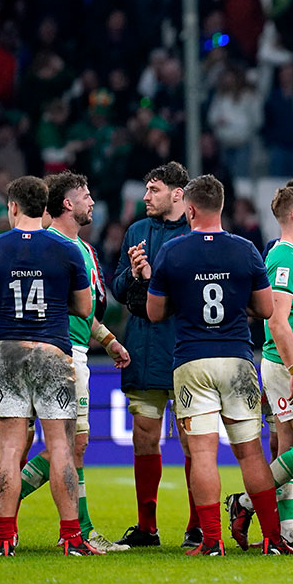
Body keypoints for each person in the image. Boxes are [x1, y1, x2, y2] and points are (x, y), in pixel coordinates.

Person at [0, 172, 132, 553]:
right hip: (55, 351)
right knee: (61, 446)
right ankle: (73, 537)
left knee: (10, 447)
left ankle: (6, 539)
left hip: (9, 349)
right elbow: (83, 307)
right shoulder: (66, 251)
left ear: (12, 207)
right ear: (46, 206)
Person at [146, 174, 280, 556]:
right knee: (251, 452)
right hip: (236, 358)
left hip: (193, 359)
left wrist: (179, 300)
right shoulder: (246, 250)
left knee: (203, 454)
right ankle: (271, 538)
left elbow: (155, 312)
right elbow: (266, 309)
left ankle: (211, 541)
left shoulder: (172, 252)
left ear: (189, 209)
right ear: (220, 207)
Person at [225, 183, 293, 553]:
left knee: (289, 446)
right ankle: (245, 502)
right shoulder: (284, 257)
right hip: (292, 363)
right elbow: (277, 320)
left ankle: (288, 532)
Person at [111, 162, 199, 549]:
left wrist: (154, 279)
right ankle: (147, 527)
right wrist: (133, 274)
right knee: (145, 438)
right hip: (144, 348)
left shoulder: (198, 233)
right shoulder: (136, 231)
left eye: (153, 190)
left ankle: (198, 524)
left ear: (177, 195)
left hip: (184, 350)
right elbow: (117, 289)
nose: (145, 197)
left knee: (193, 441)